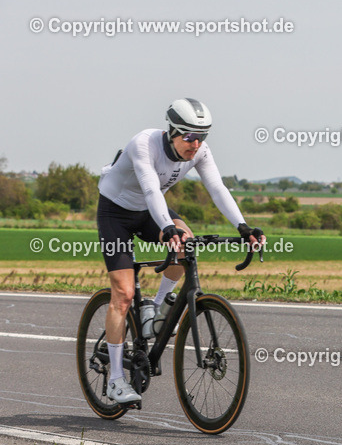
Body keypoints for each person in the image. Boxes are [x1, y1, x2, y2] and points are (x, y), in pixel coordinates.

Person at [96, 98, 265, 404]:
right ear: (171, 130)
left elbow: (217, 188)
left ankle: (158, 309)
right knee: (123, 294)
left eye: (202, 137)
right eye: (188, 136)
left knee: (185, 245)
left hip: (150, 210)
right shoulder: (144, 144)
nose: (195, 144)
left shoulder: (200, 150)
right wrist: (167, 227)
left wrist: (243, 226)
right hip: (116, 213)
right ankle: (116, 381)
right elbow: (149, 189)